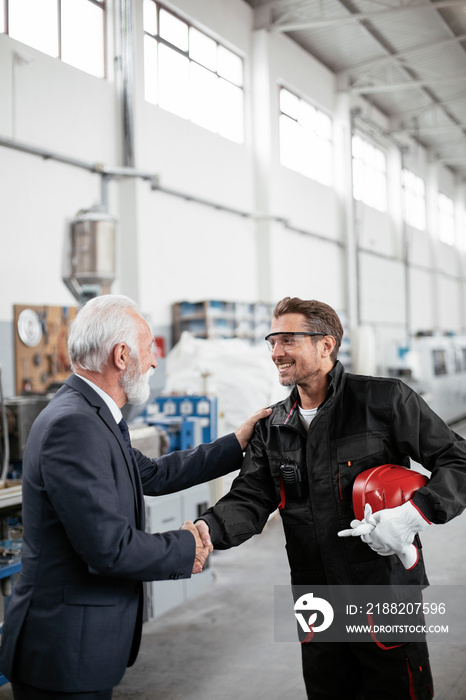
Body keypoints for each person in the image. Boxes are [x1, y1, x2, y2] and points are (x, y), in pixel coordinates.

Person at [0, 294, 271, 700]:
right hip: (63, 650)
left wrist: (236, 443)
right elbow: (109, 548)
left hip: (76, 644)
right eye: (149, 350)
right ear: (122, 355)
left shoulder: (91, 413)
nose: (155, 361)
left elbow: (154, 473)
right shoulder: (74, 425)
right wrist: (188, 545)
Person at [196, 296, 466, 700]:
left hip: (383, 589)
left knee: (398, 690)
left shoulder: (383, 401)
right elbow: (250, 497)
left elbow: (458, 460)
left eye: (288, 340)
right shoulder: (274, 426)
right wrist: (206, 530)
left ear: (326, 344)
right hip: (314, 596)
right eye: (272, 341)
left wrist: (415, 513)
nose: (275, 353)